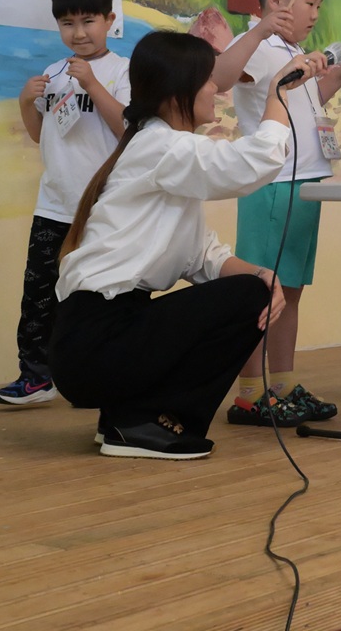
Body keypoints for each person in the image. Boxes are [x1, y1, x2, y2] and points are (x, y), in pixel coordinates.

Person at [50, 30, 322, 459]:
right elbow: (256, 162)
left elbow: (201, 256)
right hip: (97, 344)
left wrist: (261, 274)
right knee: (247, 298)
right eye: (207, 79)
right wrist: (278, 93)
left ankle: (128, 417)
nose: (216, 89)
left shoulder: (156, 147)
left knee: (253, 289)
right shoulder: (163, 146)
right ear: (179, 90)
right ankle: (145, 422)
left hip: (93, 344)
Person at [212, 0, 341, 427]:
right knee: (262, 293)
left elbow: (307, 101)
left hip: (304, 182)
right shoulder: (257, 43)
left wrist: (340, 73)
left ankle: (280, 385)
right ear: (278, 0)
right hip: (272, 184)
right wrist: (259, 30)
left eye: (320, 4)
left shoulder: (288, 52)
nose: (316, 14)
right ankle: (249, 393)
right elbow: (219, 77)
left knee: (292, 291)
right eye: (311, 3)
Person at [0, 0, 130, 407]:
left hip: (102, 206)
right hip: (53, 204)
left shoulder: (123, 71)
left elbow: (128, 129)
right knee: (38, 296)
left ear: (110, 20)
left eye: (88, 21)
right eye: (67, 23)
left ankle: (102, 378)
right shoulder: (53, 73)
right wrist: (24, 102)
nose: (78, 32)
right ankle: (36, 377)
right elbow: (40, 135)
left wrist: (93, 84)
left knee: (100, 295)